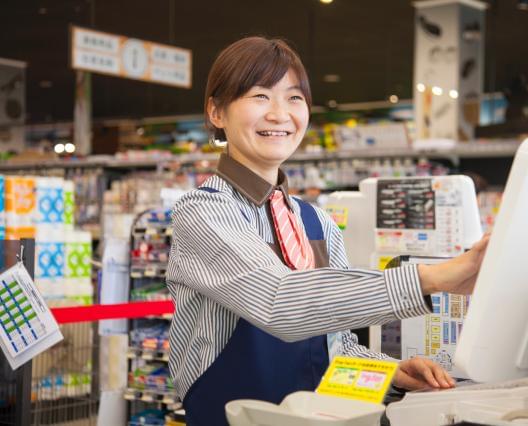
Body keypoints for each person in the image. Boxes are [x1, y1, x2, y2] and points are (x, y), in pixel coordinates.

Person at [166, 36, 490, 425]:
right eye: (259, 96)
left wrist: (390, 373)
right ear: (217, 112)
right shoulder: (204, 213)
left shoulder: (315, 221)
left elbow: (337, 346)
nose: (279, 114)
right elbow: (278, 302)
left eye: (294, 98)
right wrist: (431, 278)